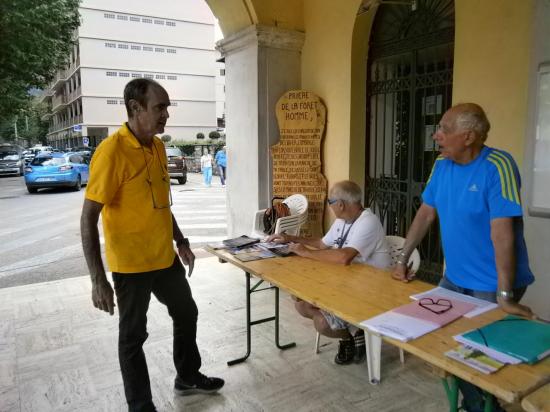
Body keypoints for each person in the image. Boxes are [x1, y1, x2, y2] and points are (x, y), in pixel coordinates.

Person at [80, 78, 224, 412]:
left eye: (167, 107)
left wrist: (181, 241)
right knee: (133, 338)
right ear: (135, 108)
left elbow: (161, 204)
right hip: (131, 266)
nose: (166, 115)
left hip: (164, 257)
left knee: (186, 312)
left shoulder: (158, 147)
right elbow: (88, 218)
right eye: (160, 107)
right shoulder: (111, 152)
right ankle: (141, 406)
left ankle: (187, 375)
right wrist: (97, 279)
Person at [392, 103, 536, 412]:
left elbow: (503, 233)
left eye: (444, 129)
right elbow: (425, 215)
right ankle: (476, 405)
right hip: (453, 279)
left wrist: (506, 294)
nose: (436, 136)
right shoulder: (441, 166)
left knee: (477, 363)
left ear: (468, 136)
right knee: (448, 349)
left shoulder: (498, 165)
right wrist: (402, 258)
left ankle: (481, 407)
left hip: (491, 283)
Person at [268, 180, 391, 365]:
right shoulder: (343, 220)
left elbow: (344, 258)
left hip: (369, 289)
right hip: (347, 280)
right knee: (300, 302)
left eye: (330, 202)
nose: (330, 206)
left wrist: (306, 253)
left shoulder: (368, 222)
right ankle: (352, 333)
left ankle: (352, 333)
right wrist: (289, 238)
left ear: (340, 204)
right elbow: (321, 243)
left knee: (322, 323)